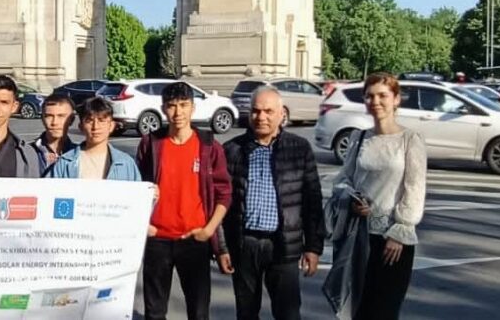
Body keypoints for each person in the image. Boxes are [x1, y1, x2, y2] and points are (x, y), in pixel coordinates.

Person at [218, 86, 325, 320]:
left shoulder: (298, 148)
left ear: (281, 113)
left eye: (268, 111)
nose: (261, 117)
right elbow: (220, 204)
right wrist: (222, 248)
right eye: (256, 111)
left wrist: (313, 247)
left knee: (288, 314)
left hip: (283, 244)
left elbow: (312, 201)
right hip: (244, 245)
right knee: (246, 313)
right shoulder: (232, 150)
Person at [328, 72, 427, 320]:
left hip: (393, 242)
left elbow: (414, 189)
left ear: (396, 99)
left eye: (383, 95)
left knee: (384, 311)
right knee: (358, 309)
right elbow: (343, 180)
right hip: (359, 236)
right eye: (370, 96)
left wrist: (400, 231)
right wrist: (353, 200)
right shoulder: (359, 138)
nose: (376, 102)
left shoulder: (410, 140)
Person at [136, 81, 232, 320]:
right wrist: (144, 225)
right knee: (154, 312)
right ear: (163, 109)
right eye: (171, 106)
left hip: (194, 239)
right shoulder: (151, 144)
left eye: (183, 105)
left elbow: (224, 193)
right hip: (157, 239)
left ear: (193, 108)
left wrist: (208, 230)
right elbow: (136, 187)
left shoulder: (209, 146)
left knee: (198, 312)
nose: (177, 112)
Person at [48, 97, 141, 180]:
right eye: (89, 121)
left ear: (112, 126)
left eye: (101, 120)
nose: (95, 127)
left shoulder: (126, 163)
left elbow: (137, 192)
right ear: (81, 127)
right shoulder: (65, 163)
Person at [33, 93, 78, 174]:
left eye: (61, 116)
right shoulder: (27, 152)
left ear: (71, 120)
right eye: (49, 116)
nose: (54, 122)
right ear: (42, 119)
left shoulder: (78, 154)